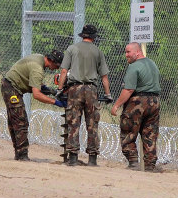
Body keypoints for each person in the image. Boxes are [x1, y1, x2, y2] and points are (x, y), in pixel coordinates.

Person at [59, 24, 111, 166]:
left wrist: (59, 89)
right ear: (94, 37)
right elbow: (104, 77)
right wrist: (108, 94)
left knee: (73, 122)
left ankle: (73, 157)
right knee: (92, 124)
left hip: (74, 89)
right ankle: (92, 159)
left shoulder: (72, 48)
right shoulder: (98, 52)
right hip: (91, 90)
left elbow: (64, 71)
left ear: (82, 35)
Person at [2, 50, 65, 161]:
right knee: (20, 121)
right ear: (51, 61)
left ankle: (19, 153)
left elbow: (35, 82)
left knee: (15, 120)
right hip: (11, 88)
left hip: (9, 86)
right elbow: (36, 95)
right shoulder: (38, 68)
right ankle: (22, 155)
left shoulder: (39, 58)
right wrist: (55, 102)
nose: (57, 68)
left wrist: (49, 90)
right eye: (57, 65)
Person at [110, 42, 161, 172]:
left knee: (128, 130)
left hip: (138, 101)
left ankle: (133, 163)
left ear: (137, 52)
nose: (126, 55)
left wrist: (116, 105)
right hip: (154, 101)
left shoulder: (134, 66)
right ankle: (150, 165)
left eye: (128, 52)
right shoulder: (152, 64)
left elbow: (128, 89)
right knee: (150, 134)